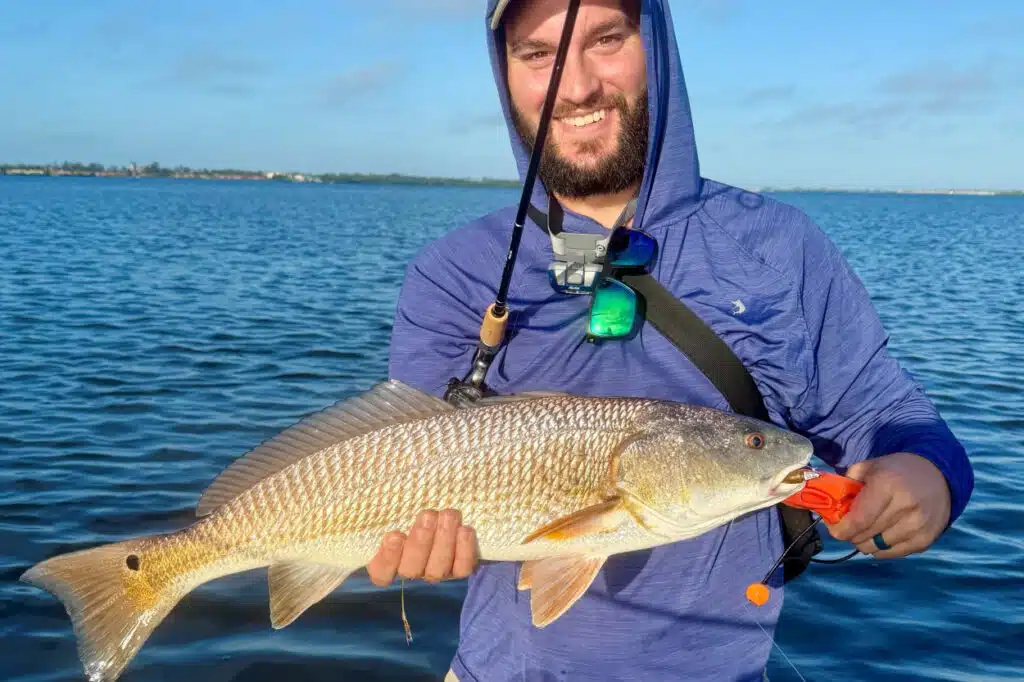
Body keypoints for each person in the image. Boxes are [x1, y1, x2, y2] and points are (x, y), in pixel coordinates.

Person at [376, 0, 975, 680]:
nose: (575, 88)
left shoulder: (781, 248)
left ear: (656, 46)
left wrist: (929, 480)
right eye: (537, 55)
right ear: (503, 73)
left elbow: (896, 420)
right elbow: (404, 453)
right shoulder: (454, 271)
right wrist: (414, 541)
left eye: (606, 39)